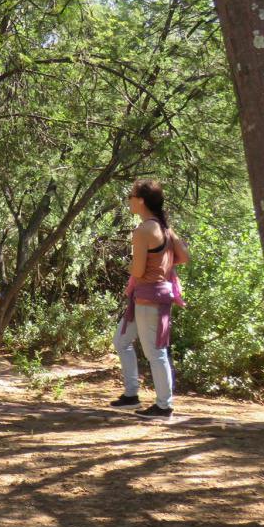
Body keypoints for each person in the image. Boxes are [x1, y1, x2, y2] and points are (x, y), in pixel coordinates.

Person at [110, 179, 190, 418]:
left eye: (131, 196)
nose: (129, 200)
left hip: (148, 298)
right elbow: (183, 256)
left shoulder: (144, 230)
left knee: (156, 353)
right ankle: (131, 395)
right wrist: (162, 265)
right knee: (121, 341)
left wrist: (140, 267)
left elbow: (137, 271)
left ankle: (164, 406)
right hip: (152, 296)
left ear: (141, 200)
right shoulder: (164, 228)